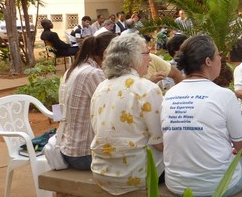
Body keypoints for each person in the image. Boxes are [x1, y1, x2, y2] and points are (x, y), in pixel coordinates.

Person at [161, 34, 242, 196]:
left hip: (176, 184)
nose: (221, 58)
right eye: (218, 55)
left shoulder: (169, 95)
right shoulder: (224, 95)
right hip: (216, 186)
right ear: (208, 61)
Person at [90, 34, 164, 195]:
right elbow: (160, 143)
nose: (150, 59)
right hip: (137, 174)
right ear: (133, 58)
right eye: (147, 53)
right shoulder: (147, 88)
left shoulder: (101, 87)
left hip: (101, 173)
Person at [58, 33, 116, 170]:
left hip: (68, 148)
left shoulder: (73, 69)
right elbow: (113, 110)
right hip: (84, 155)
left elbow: (58, 111)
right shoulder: (93, 74)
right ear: (105, 54)